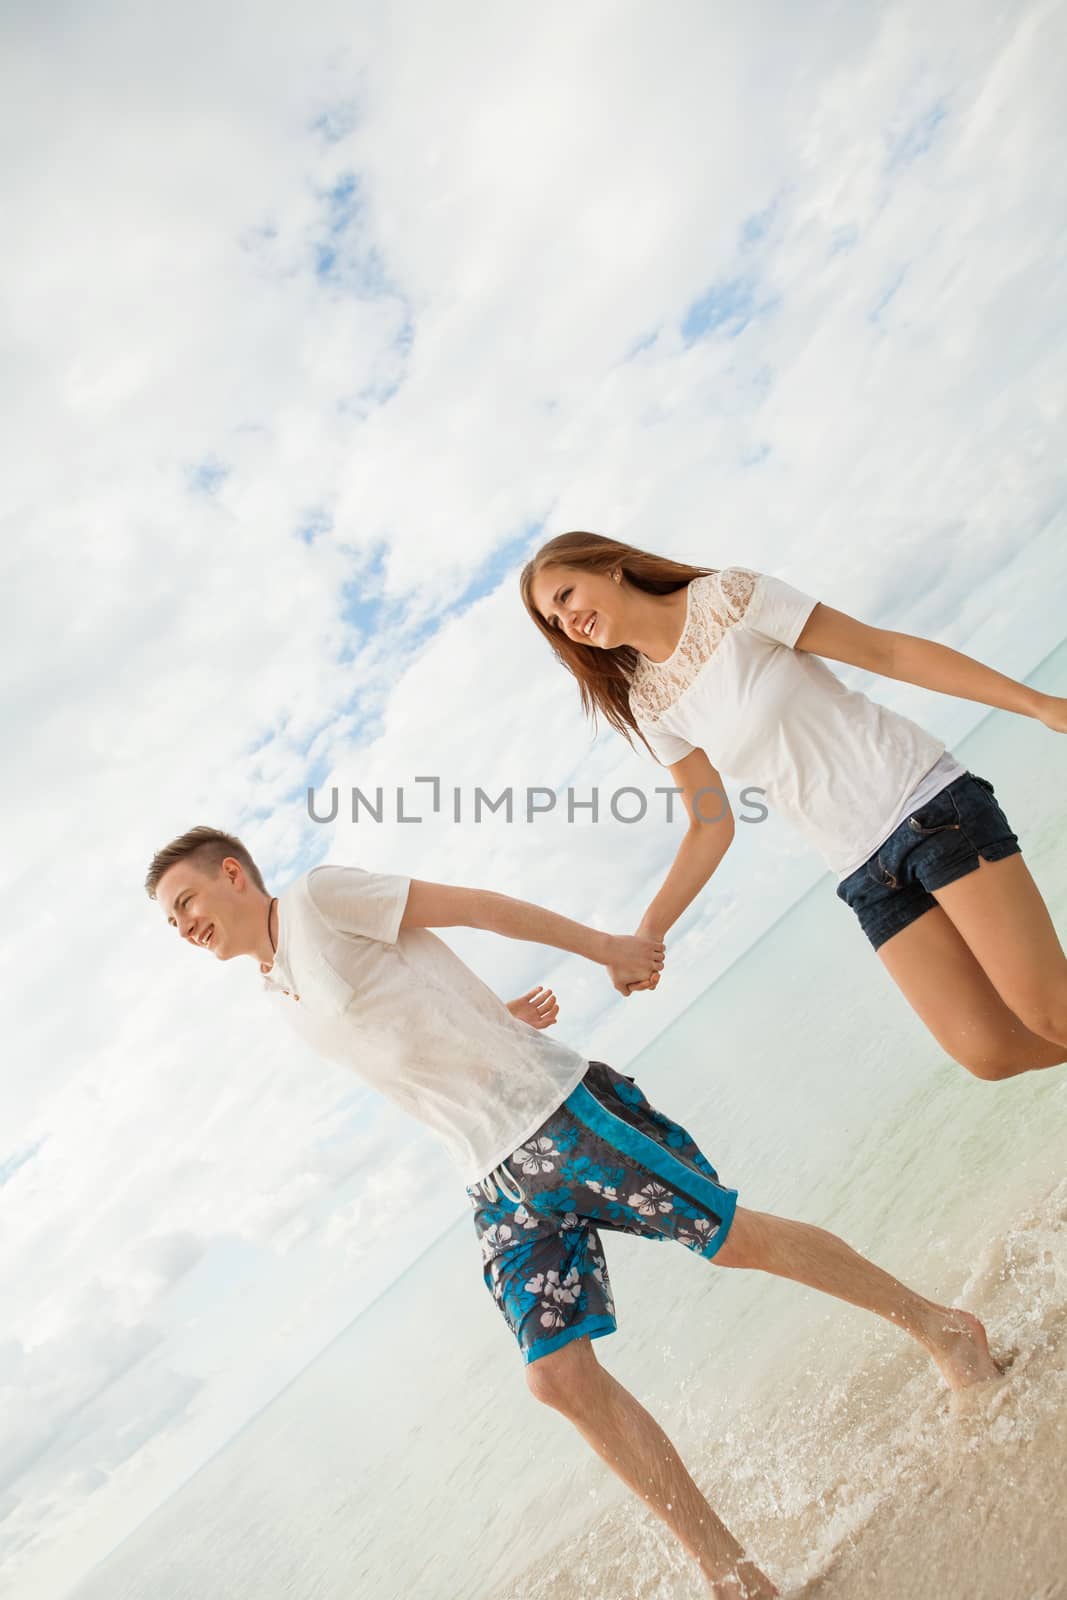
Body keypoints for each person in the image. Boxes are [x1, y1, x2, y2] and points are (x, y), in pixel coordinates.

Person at [146, 826, 1002, 1600]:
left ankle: (943, 1331)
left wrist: (606, 949)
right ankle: (734, 1578)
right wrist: (495, 1023)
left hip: (559, 1118)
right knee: (555, 1376)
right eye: (169, 920)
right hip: (490, 1176)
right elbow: (405, 1024)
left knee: (734, 1240)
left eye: (185, 900)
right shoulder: (273, 984)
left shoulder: (319, 900)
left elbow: (475, 909)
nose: (182, 924)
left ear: (231, 874)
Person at [521, 532, 1067, 1080]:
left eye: (565, 596)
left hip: (923, 803)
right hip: (861, 873)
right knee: (989, 1052)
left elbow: (886, 651)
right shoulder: (649, 701)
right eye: (553, 620)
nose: (567, 621)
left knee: (1049, 1012)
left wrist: (1039, 704)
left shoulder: (727, 598)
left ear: (610, 568)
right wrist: (648, 933)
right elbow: (710, 823)